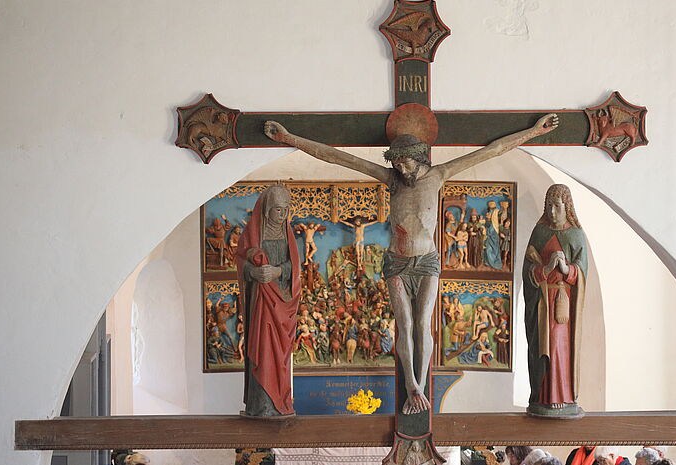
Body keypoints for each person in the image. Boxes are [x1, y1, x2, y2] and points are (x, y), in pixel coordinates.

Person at [264, 113, 559, 414]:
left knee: (423, 325)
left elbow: (491, 150)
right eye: (397, 163)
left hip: (427, 262)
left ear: (419, 159)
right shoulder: (391, 179)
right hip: (397, 262)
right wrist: (289, 139)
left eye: (406, 163)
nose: (401, 169)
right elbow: (338, 158)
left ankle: (421, 379)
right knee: (403, 325)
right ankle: (412, 386)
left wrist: (533, 133)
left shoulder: (438, 175)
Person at [236, 184, 301, 418]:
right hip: (261, 305)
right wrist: (253, 273)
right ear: (265, 210)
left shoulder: (288, 235)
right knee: (262, 350)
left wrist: (277, 272)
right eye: (277, 209)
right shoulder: (253, 234)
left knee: (279, 355)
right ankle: (261, 405)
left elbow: (295, 267)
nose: (282, 214)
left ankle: (277, 401)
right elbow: (241, 261)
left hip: (281, 303)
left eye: (286, 209)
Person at [523, 184, 588, 418]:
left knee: (559, 348)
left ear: (566, 207)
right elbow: (527, 269)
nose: (552, 211)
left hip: (563, 305)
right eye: (548, 206)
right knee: (540, 347)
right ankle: (541, 396)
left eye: (557, 206)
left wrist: (566, 268)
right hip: (542, 302)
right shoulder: (539, 232)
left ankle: (562, 396)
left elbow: (582, 273)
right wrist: (546, 268)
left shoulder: (576, 235)